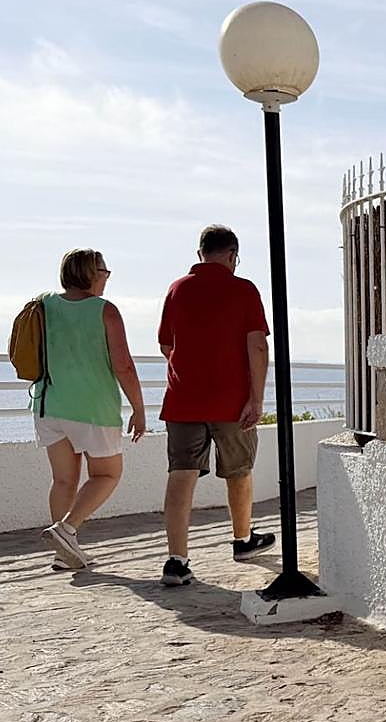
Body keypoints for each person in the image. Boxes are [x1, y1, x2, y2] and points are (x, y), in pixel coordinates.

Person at [157, 225, 275, 586]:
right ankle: (242, 540)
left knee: (181, 474)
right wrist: (256, 398)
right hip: (232, 401)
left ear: (201, 254)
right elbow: (257, 345)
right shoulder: (244, 290)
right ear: (233, 255)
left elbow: (166, 345)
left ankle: (176, 561)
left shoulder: (177, 289)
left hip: (183, 400)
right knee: (238, 471)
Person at [38, 249, 146, 570]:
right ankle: (66, 529)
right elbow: (123, 366)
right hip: (92, 407)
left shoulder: (43, 305)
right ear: (91, 273)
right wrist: (139, 408)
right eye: (104, 271)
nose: (106, 278)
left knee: (63, 480)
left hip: (48, 403)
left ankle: (64, 553)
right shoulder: (104, 311)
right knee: (107, 474)